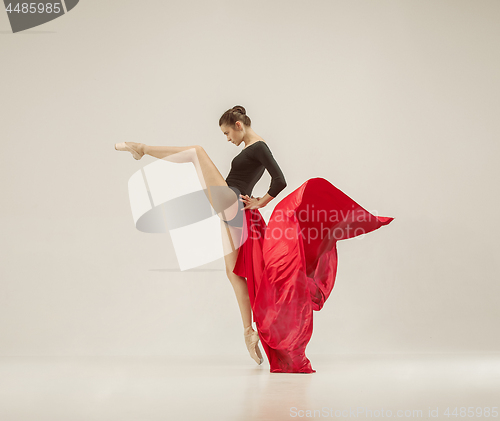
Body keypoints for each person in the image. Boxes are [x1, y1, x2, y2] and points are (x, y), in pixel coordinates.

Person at [115, 105, 394, 373]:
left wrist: (261, 202)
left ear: (239, 126)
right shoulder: (252, 148)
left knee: (196, 153)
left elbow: (279, 180)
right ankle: (249, 332)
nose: (227, 139)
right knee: (233, 272)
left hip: (231, 199)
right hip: (232, 205)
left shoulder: (259, 146)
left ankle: (141, 149)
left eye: (227, 133)